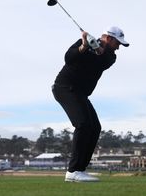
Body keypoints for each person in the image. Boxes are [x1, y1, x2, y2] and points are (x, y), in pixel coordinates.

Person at [52, 26, 129, 182]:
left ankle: (80, 170)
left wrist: (98, 51)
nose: (118, 47)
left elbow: (103, 62)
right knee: (83, 124)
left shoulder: (111, 56)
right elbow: (69, 58)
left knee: (95, 128)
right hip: (64, 88)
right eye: (117, 43)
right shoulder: (84, 42)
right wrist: (83, 47)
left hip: (80, 93)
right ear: (108, 38)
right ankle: (73, 171)